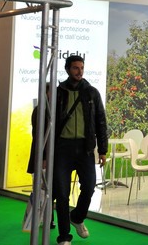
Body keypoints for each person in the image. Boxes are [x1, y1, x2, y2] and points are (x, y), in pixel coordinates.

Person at [53, 55, 107, 245]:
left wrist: (103, 150)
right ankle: (64, 236)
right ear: (67, 69)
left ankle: (77, 217)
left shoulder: (91, 93)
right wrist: (44, 155)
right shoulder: (58, 93)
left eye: (82, 68)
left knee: (90, 186)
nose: (79, 71)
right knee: (62, 194)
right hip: (62, 149)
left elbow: (101, 122)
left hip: (85, 148)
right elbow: (48, 123)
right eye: (76, 68)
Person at [27, 83, 55, 229]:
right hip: (42, 155)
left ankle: (47, 218)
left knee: (49, 189)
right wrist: (43, 157)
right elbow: (39, 135)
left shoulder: (52, 109)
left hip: (50, 155)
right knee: (41, 188)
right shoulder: (40, 110)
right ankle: (40, 218)